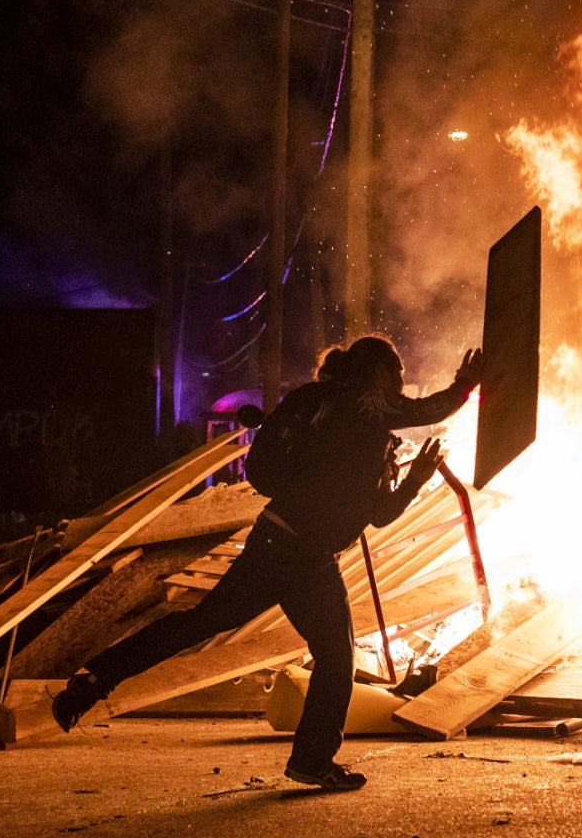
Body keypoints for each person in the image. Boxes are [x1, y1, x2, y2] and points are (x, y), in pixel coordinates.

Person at [51, 336, 482, 790]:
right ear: (374, 374)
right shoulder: (362, 404)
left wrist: (414, 477)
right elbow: (429, 411)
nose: (400, 382)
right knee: (336, 659)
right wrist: (465, 383)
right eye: (395, 372)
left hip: (277, 542)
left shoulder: (339, 416)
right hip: (306, 556)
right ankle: (312, 761)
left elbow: (377, 516)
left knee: (202, 622)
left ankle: (94, 680)